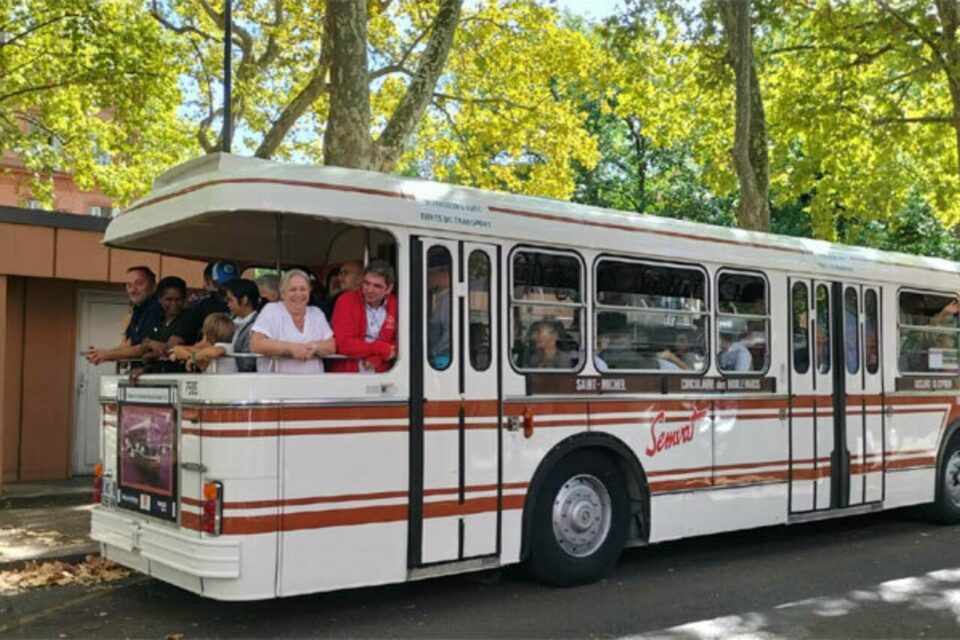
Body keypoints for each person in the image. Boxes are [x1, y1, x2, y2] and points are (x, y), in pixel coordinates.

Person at [249, 269, 337, 373]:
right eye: (293, 290)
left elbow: (331, 346)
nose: (298, 294)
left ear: (309, 291)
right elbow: (256, 344)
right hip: (276, 384)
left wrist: (314, 347)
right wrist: (291, 348)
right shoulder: (271, 310)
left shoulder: (316, 313)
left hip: (313, 384)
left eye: (303, 289)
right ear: (282, 293)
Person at [166, 279, 260, 373]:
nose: (228, 304)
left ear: (244, 300)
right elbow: (208, 345)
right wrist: (182, 351)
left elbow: (246, 364)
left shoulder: (258, 326)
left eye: (230, 300)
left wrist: (192, 356)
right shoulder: (228, 320)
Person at [85, 266, 164, 365]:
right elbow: (130, 343)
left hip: (156, 374)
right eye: (129, 285)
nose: (132, 290)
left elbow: (144, 347)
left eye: (139, 284)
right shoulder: (138, 310)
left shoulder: (156, 309)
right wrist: (101, 354)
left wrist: (108, 355)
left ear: (153, 286)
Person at [328, 261, 398, 373]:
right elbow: (344, 344)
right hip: (348, 375)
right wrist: (379, 348)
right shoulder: (346, 301)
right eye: (367, 283)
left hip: (385, 377)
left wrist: (376, 357)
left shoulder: (396, 304)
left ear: (389, 289)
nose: (370, 289)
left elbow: (401, 342)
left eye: (377, 286)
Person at [171, 260, 237, 345]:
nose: (229, 286)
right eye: (223, 283)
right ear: (212, 282)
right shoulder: (203, 305)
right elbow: (178, 338)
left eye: (234, 282)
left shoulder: (245, 305)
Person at [169, 313, 236, 372]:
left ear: (208, 335)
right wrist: (179, 350)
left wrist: (192, 357)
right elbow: (201, 351)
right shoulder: (209, 352)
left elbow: (214, 352)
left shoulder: (224, 346)